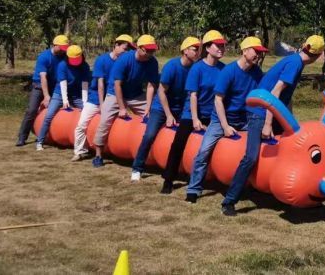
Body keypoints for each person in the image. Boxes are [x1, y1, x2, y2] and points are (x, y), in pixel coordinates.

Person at [221, 35, 324, 216]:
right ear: (318, 55)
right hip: (259, 113)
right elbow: (274, 93)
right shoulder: (295, 64)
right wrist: (268, 124)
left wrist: (286, 119)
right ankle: (229, 201)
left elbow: (284, 97)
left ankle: (298, 193)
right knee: (251, 157)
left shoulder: (295, 61)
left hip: (271, 112)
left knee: (289, 149)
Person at [185, 36, 267, 203]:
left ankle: (255, 183)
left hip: (245, 118)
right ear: (244, 51)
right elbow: (218, 100)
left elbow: (262, 97)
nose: (258, 55)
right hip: (221, 119)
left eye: (260, 52)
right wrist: (225, 126)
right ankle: (193, 189)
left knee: (263, 144)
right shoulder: (229, 72)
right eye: (256, 52)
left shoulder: (257, 73)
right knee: (203, 151)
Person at [162, 30, 226, 194]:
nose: (221, 49)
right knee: (178, 143)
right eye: (218, 46)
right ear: (208, 48)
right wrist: (195, 119)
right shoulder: (197, 68)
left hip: (213, 114)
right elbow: (193, 95)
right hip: (192, 113)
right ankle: (168, 179)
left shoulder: (223, 69)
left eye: (223, 46)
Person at [130, 36, 201, 181]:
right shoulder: (172, 66)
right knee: (149, 135)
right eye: (195, 49)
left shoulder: (195, 68)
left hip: (182, 108)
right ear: (185, 51)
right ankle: (137, 168)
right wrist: (168, 115)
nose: (197, 52)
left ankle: (182, 167)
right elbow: (161, 91)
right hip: (161, 107)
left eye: (199, 49)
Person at [92, 35, 159, 168]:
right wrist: (122, 108)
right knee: (105, 120)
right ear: (139, 48)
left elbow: (151, 85)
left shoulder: (152, 62)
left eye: (153, 51)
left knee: (154, 114)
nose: (150, 54)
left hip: (135, 94)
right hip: (115, 93)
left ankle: (151, 150)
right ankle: (98, 155)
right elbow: (117, 85)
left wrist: (148, 107)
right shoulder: (124, 60)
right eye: (148, 50)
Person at [72, 35, 134, 161]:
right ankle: (79, 151)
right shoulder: (102, 60)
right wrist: (102, 104)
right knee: (82, 125)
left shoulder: (126, 62)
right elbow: (100, 84)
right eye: (125, 48)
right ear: (116, 45)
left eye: (128, 50)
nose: (126, 52)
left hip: (116, 97)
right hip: (96, 99)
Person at [16, 35, 69, 146]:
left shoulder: (64, 57)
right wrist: (46, 96)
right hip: (39, 86)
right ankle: (22, 137)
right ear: (55, 45)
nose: (63, 51)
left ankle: (50, 134)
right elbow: (43, 78)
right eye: (61, 48)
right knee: (31, 110)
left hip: (55, 86)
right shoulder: (44, 57)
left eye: (65, 48)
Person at [36, 45, 91, 150]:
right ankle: (40, 141)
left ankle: (86, 142)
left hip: (76, 94)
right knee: (49, 115)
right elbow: (63, 83)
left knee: (88, 111)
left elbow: (85, 84)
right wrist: (65, 100)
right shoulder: (62, 65)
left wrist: (84, 101)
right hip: (60, 93)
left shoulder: (84, 66)